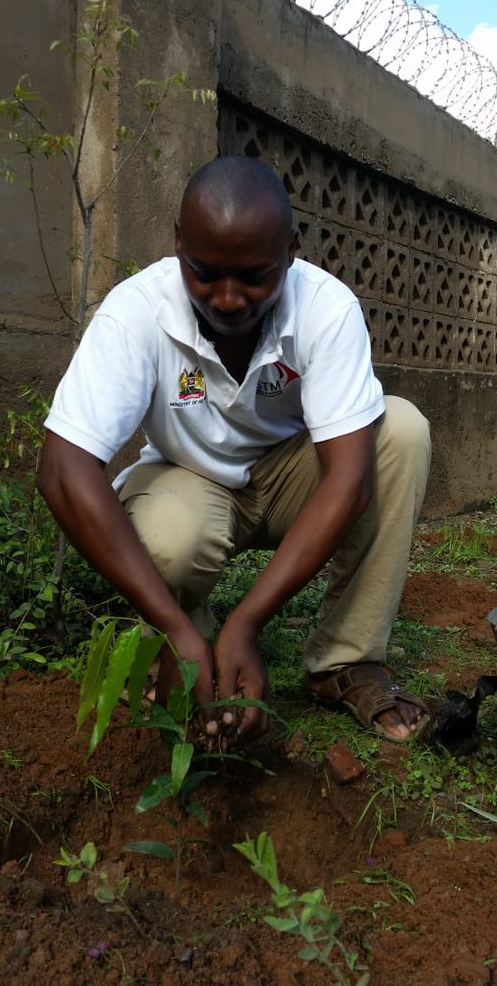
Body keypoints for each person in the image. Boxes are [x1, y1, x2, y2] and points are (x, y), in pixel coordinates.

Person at [38, 155, 432, 745]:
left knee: (400, 431)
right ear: (177, 244)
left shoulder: (326, 308)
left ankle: (346, 662)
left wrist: (248, 620)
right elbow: (63, 469)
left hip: (292, 479)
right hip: (186, 479)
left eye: (254, 276)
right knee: (168, 536)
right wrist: (175, 630)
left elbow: (347, 478)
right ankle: (187, 653)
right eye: (204, 273)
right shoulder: (136, 312)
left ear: (292, 250)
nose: (227, 299)